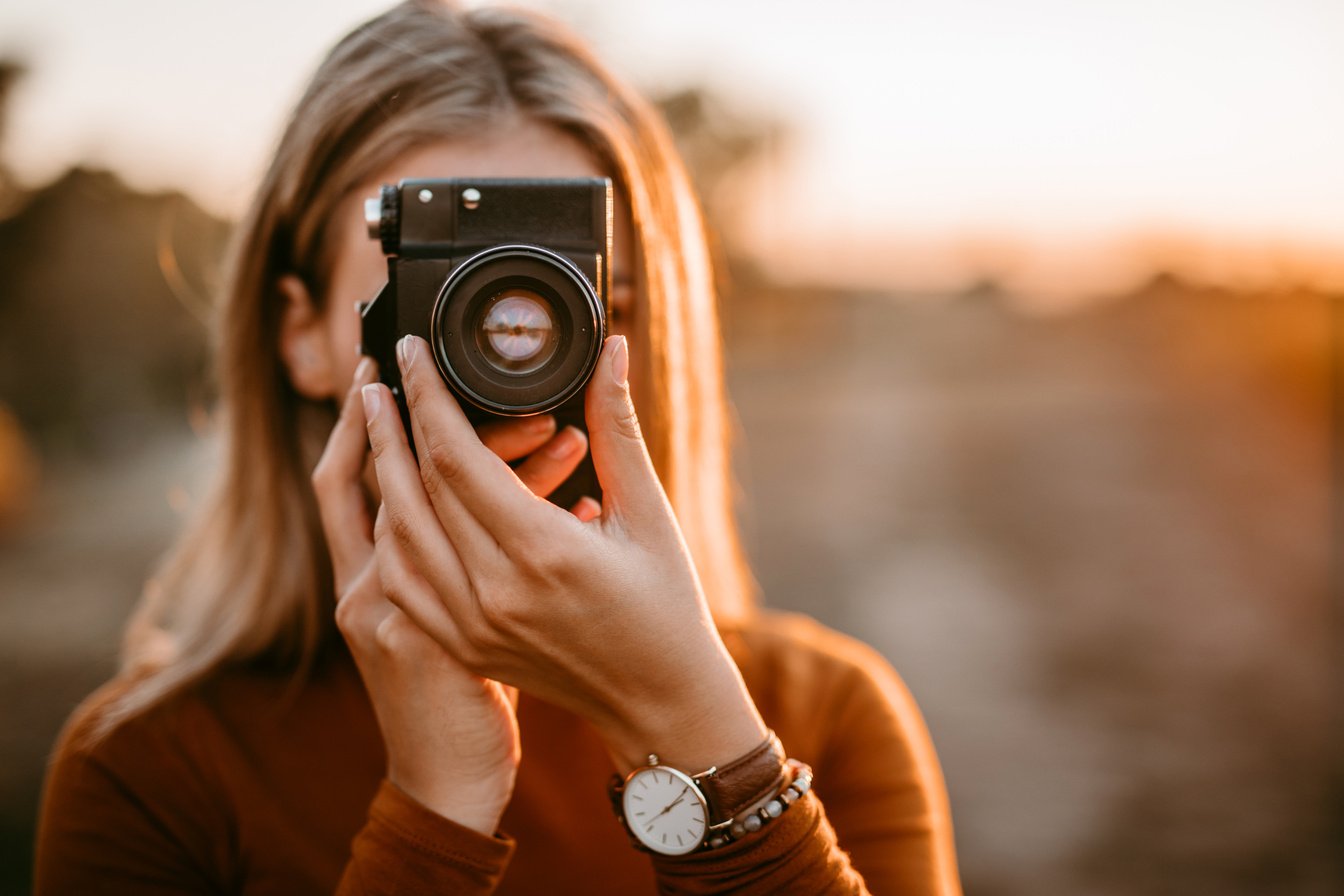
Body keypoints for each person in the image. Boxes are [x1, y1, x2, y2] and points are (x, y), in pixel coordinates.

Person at [34, 1, 961, 892]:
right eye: (446, 311)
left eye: (584, 308)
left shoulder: (823, 715)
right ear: (305, 333)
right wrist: (434, 808)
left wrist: (703, 734)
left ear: (655, 330)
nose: (517, 369)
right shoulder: (152, 769)